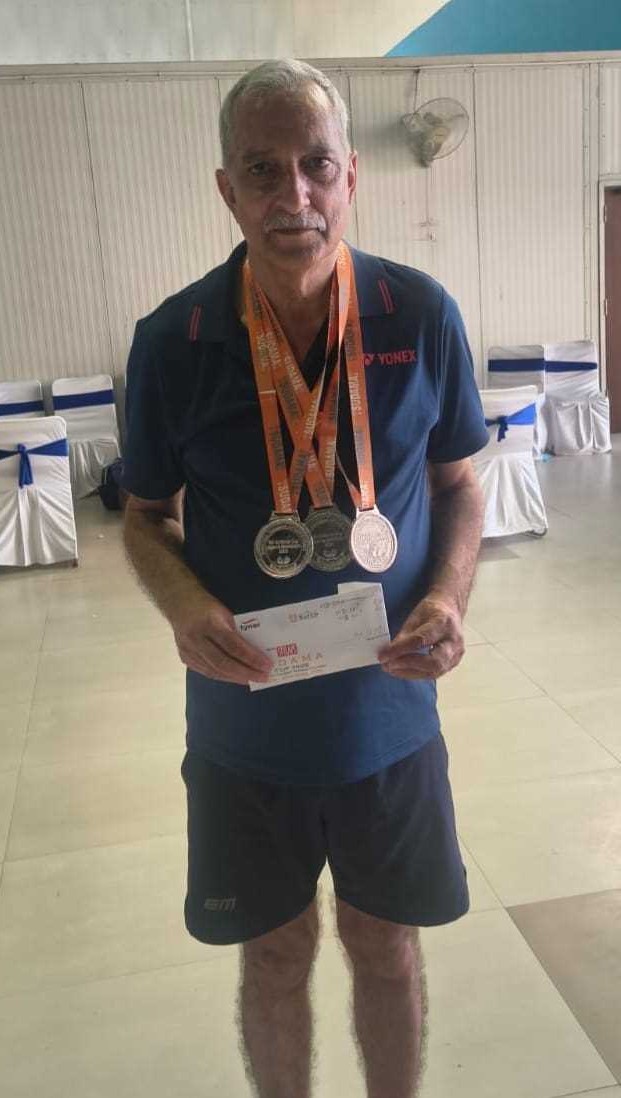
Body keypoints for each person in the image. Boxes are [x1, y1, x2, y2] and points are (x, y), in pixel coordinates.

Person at [122, 58, 487, 1098]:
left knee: (387, 947)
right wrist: (184, 603)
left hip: (389, 718)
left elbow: (462, 486)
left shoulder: (418, 315)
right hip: (246, 727)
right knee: (275, 955)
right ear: (226, 189)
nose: (294, 194)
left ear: (350, 176)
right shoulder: (175, 342)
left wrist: (449, 596)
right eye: (262, 169)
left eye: (316, 164)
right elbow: (144, 520)